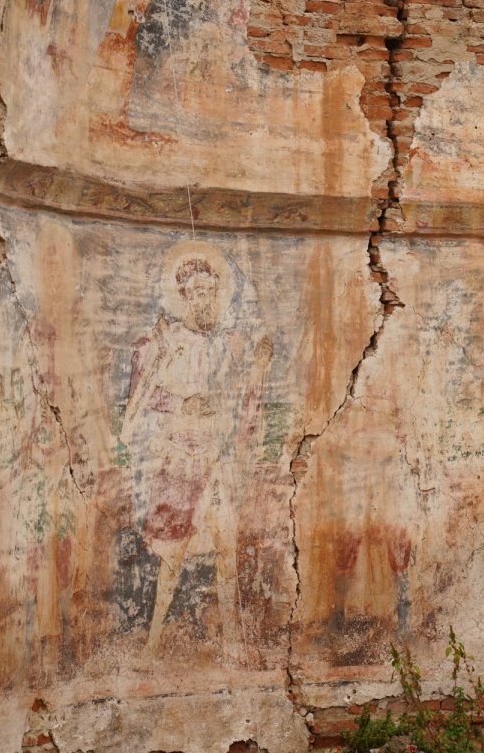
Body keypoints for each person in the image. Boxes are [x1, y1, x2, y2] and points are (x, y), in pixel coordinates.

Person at [121, 241, 272, 657]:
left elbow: (243, 402)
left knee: (228, 545)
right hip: (179, 460)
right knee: (174, 557)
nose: (207, 301)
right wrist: (183, 403)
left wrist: (258, 370)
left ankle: (232, 640)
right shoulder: (163, 342)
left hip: (216, 459)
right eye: (199, 292)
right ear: (183, 295)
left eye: (213, 292)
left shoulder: (226, 344)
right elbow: (138, 404)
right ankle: (152, 645)